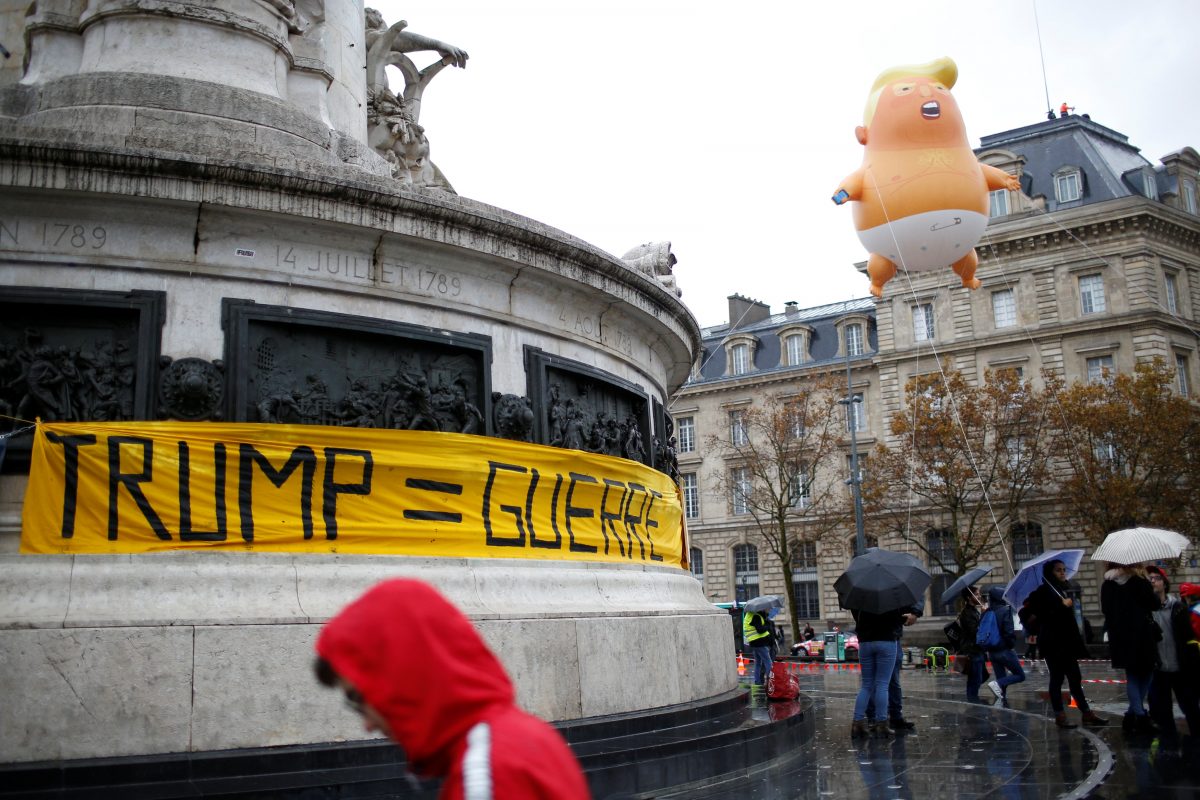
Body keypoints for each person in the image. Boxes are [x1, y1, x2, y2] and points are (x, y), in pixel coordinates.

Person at [314, 579, 591, 799]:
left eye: (358, 697)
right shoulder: (524, 736)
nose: (366, 724)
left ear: (403, 676)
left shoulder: (487, 774)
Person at [1029, 560, 1107, 728]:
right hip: (1053, 644)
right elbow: (1042, 616)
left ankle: (1086, 712)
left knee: (1075, 678)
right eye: (1059, 570)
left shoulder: (1062, 590)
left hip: (1067, 643)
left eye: (1064, 570)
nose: (1063, 573)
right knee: (1057, 679)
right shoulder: (1042, 592)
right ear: (1051, 573)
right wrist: (1060, 605)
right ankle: (1060, 715)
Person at [1100, 562, 1160, 733]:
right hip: (1142, 634)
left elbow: (1105, 609)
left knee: (1132, 674)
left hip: (1120, 637)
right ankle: (1140, 716)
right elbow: (1154, 604)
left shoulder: (1108, 585)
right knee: (1146, 673)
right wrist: (1148, 583)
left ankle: (1131, 714)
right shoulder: (1139, 582)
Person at [1145, 566, 1200, 741]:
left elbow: (1188, 637)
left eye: (1156, 578)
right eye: (1150, 578)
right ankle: (1168, 743)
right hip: (1159, 667)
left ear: (1165, 583)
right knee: (1162, 710)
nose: (1153, 581)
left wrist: (1191, 662)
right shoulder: (1146, 610)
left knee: (1190, 706)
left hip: (1180, 666)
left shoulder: (1177, 607)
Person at [849, 606, 906, 739]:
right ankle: (882, 724)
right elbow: (898, 618)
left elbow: (856, 615)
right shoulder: (890, 595)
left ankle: (857, 724)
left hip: (865, 642)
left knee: (866, 685)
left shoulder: (860, 595)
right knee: (882, 684)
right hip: (887, 640)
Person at [865, 603, 922, 730]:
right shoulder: (867, 591)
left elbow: (914, 599)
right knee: (877, 681)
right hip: (875, 637)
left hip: (889, 636)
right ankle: (875, 717)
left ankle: (893, 716)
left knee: (891, 680)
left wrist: (915, 612)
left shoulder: (893, 588)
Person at [981, 587, 1026, 704]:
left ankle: (1001, 702)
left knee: (1001, 680)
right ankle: (998, 685)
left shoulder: (986, 612)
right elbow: (1009, 631)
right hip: (1004, 650)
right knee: (1020, 675)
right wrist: (1011, 644)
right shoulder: (1005, 610)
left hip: (991, 651)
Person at [953, 587, 986, 702]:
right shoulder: (967, 613)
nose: (979, 596)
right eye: (976, 594)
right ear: (969, 597)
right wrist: (983, 617)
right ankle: (973, 701)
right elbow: (974, 632)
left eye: (979, 594)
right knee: (975, 679)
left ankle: (973, 700)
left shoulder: (973, 610)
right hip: (973, 651)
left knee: (978, 678)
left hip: (977, 650)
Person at [743, 606, 776, 691]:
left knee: (758, 663)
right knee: (768, 662)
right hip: (759, 642)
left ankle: (757, 681)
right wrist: (767, 626)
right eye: (766, 608)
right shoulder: (756, 616)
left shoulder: (750, 615)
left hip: (754, 643)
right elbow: (760, 630)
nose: (767, 609)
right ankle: (770, 681)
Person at [1018, 597, 1041, 672]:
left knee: (1032, 645)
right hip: (1031, 630)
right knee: (1033, 645)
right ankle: (1031, 657)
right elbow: (1026, 621)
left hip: (1030, 630)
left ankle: (1028, 655)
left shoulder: (1023, 611)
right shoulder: (1026, 611)